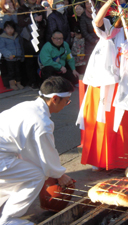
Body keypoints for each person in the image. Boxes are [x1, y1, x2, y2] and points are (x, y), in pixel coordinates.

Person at [76, 0, 128, 171]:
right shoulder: (111, 34)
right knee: (98, 124)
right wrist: (109, 3)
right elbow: (97, 22)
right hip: (102, 86)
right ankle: (98, 160)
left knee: (119, 126)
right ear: (127, 24)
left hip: (119, 90)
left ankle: (120, 160)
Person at [0, 76, 74, 225]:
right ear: (54, 98)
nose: (67, 104)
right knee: (37, 175)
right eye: (67, 101)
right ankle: (9, 219)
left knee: (22, 173)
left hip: (5, 152)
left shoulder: (27, 105)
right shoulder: (41, 122)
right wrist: (59, 174)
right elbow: (46, 156)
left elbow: (30, 152)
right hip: (2, 156)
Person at [18, 0, 47, 89]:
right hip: (28, 38)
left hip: (40, 37)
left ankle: (41, 80)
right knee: (30, 62)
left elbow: (45, 21)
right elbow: (21, 22)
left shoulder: (40, 8)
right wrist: (33, 19)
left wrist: (41, 20)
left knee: (40, 61)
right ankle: (32, 81)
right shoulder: (22, 9)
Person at [0, 20, 24, 90]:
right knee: (11, 71)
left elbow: (20, 46)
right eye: (8, 28)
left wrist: (21, 54)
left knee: (18, 71)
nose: (10, 30)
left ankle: (19, 83)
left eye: (11, 28)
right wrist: (8, 54)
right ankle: (12, 84)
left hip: (17, 57)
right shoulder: (2, 37)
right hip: (9, 58)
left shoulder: (17, 36)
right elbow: (2, 48)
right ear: (4, 29)